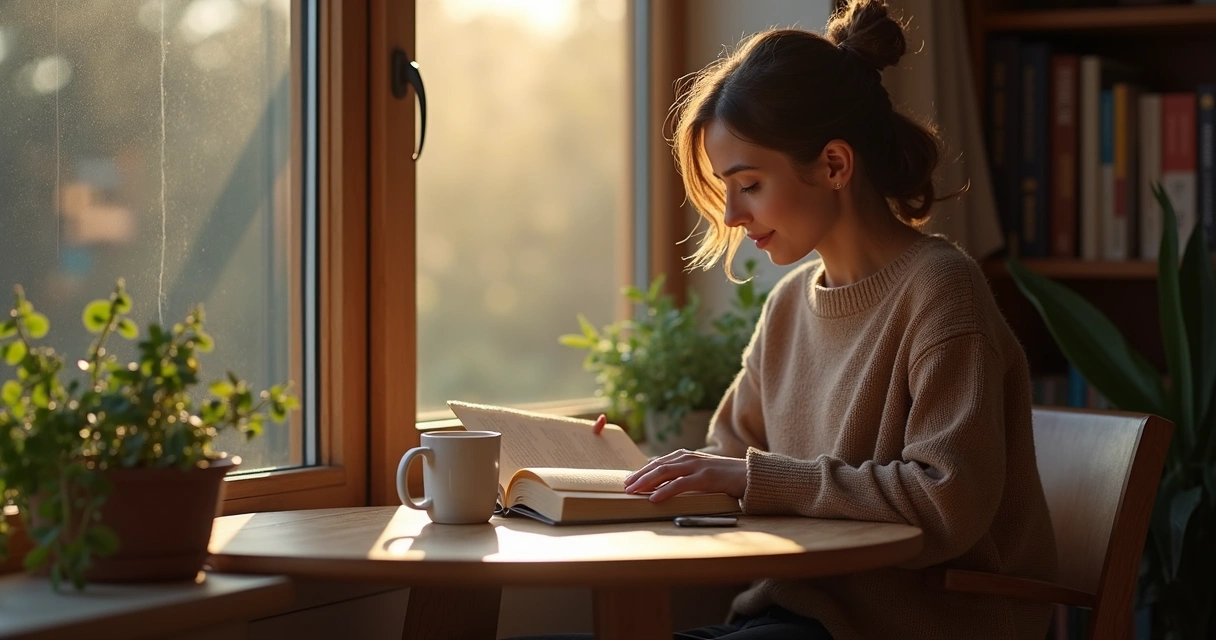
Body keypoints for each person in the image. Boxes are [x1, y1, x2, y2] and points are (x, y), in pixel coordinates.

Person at [517, 1, 1057, 639]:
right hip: (796, 616)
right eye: (727, 189)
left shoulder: (943, 293)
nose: (733, 217)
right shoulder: (790, 305)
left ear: (833, 165)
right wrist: (614, 468)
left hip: (914, 623)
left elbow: (946, 500)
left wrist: (749, 477)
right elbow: (728, 459)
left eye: (748, 184)